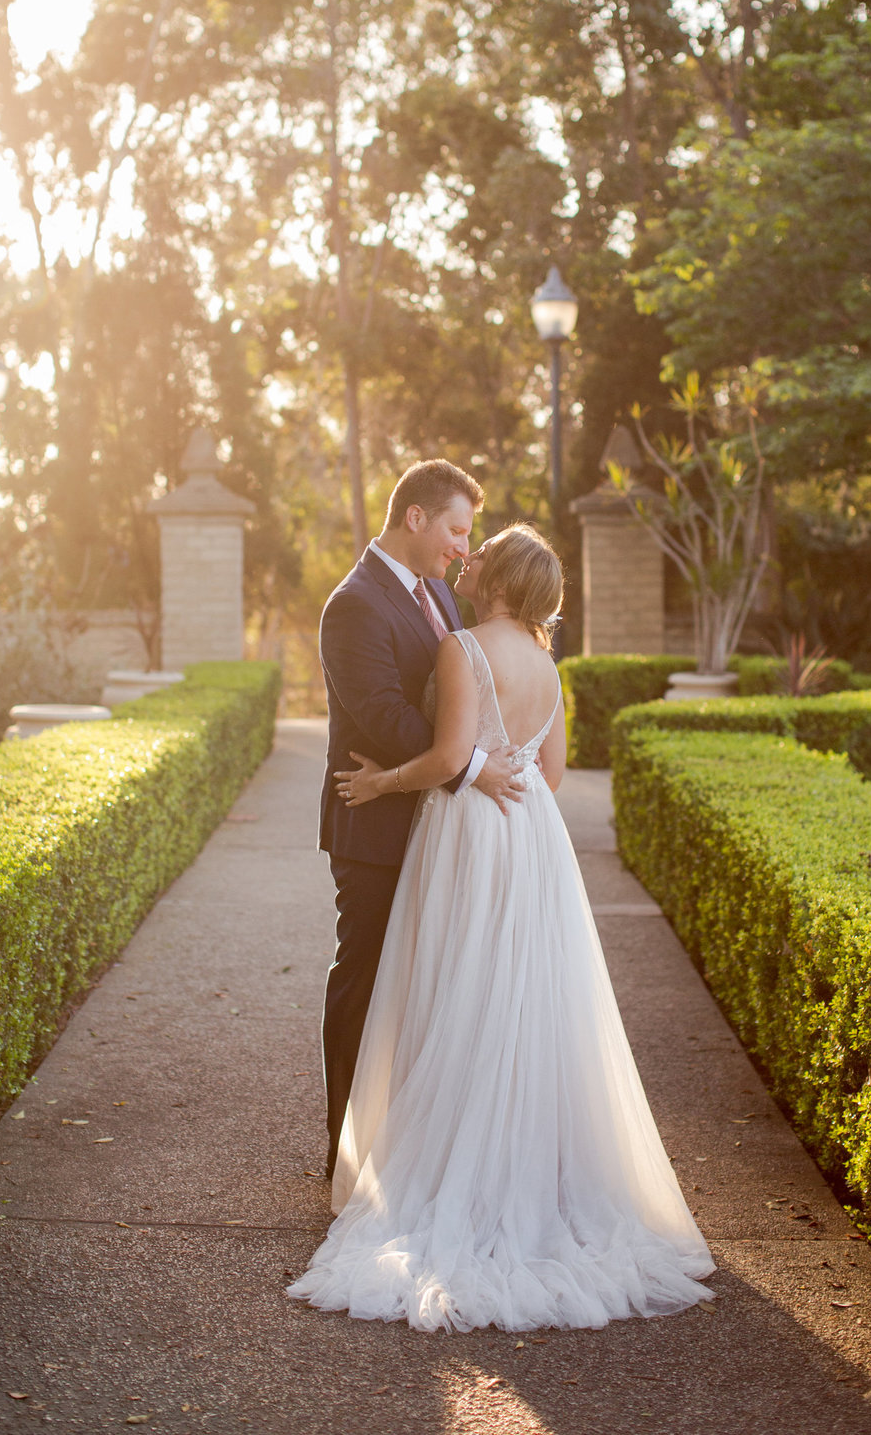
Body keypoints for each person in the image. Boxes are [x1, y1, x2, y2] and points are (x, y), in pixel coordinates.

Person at [290, 522, 715, 1332]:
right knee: (520, 994)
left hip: (470, 834)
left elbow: (451, 758)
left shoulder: (463, 648)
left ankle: (449, 1166)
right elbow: (548, 775)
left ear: (502, 579)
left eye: (483, 553)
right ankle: (528, 1168)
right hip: (531, 840)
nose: (468, 556)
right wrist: (504, 771)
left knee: (457, 985)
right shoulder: (549, 666)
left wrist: (382, 782)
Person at [316, 460, 526, 1181]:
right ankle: (345, 1148)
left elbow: (461, 690)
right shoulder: (354, 605)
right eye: (456, 529)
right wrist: (469, 765)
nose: (465, 548)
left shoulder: (439, 587)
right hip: (373, 820)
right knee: (365, 979)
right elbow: (381, 716)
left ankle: (406, 1144)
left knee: (425, 983)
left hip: (439, 825)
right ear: (415, 517)